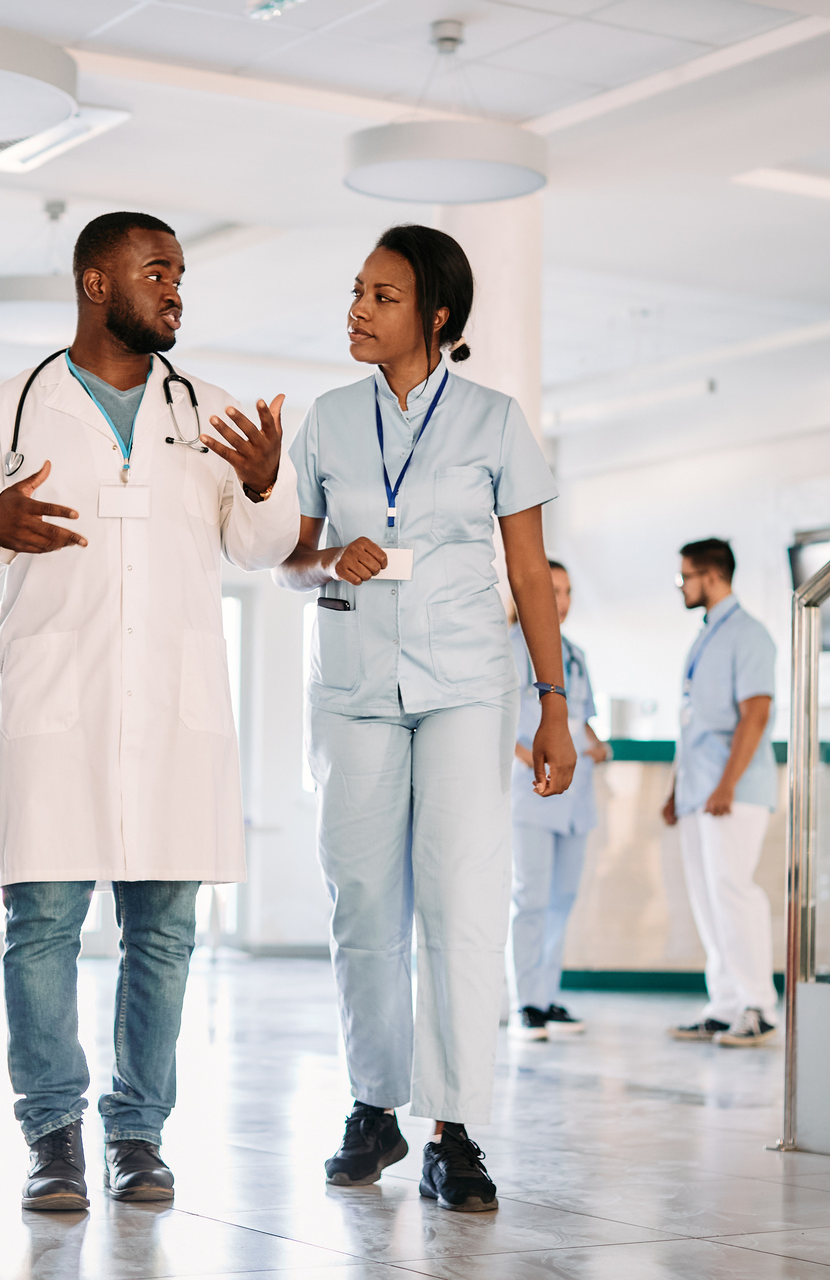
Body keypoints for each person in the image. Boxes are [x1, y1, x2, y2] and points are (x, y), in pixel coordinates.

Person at [0, 211, 298, 1211]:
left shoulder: (210, 411)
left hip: (174, 711)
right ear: (97, 281)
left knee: (164, 928)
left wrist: (265, 483)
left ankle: (138, 1132)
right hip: (59, 694)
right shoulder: (9, 408)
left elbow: (262, 547)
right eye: (156, 269)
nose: (176, 288)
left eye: (180, 272)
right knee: (43, 921)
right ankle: (54, 1133)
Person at [276, 224, 576, 1213]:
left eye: (383, 295)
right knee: (361, 899)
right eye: (357, 290)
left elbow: (527, 573)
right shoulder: (325, 419)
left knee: (460, 900)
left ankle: (455, 1128)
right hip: (355, 679)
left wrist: (554, 704)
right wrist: (331, 559)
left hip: (462, 685)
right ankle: (375, 1102)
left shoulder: (494, 421)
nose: (358, 309)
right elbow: (292, 557)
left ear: (437, 316)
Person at [661, 537, 779, 1048]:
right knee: (709, 900)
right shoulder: (707, 635)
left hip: (731, 790)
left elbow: (755, 713)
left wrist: (726, 783)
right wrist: (675, 790)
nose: (681, 587)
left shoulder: (748, 635)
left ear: (710, 576)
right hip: (698, 792)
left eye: (684, 577)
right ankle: (726, 1002)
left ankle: (758, 1006)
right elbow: (694, 723)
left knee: (733, 892)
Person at [507, 560, 611, 1041]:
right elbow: (497, 718)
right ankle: (525, 1001)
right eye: (552, 590)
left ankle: (547, 997)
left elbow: (579, 719)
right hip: (532, 791)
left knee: (561, 899)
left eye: (567, 592)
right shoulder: (509, 646)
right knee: (530, 897)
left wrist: (596, 742)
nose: (561, 601)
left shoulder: (574, 654)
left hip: (575, 793)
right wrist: (531, 758)